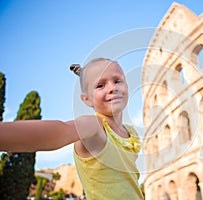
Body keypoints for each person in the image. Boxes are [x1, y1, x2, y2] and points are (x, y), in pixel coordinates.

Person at [0, 58, 144, 200]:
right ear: (87, 99)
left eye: (118, 81)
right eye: (100, 85)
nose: (112, 88)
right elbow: (59, 131)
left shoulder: (131, 133)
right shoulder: (94, 127)